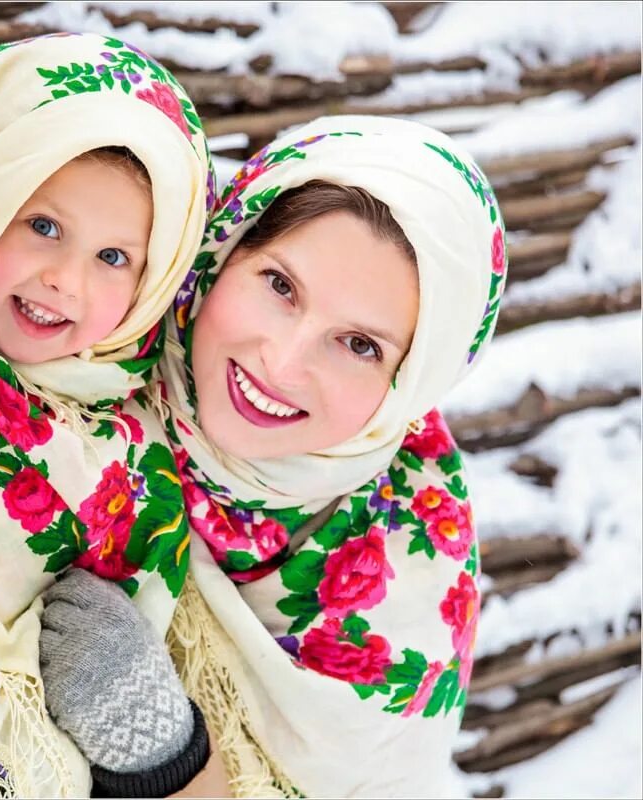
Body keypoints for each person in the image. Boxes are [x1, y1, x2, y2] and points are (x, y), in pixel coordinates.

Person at [42, 115, 505, 797]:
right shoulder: (61, 370)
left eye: (360, 345)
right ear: (222, 254)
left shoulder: (410, 572)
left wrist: (167, 764)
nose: (282, 365)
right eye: (280, 285)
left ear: (408, 386)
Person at [0, 32, 216, 797]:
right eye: (42, 225)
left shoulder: (141, 446)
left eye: (114, 258)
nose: (64, 280)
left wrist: (147, 748)